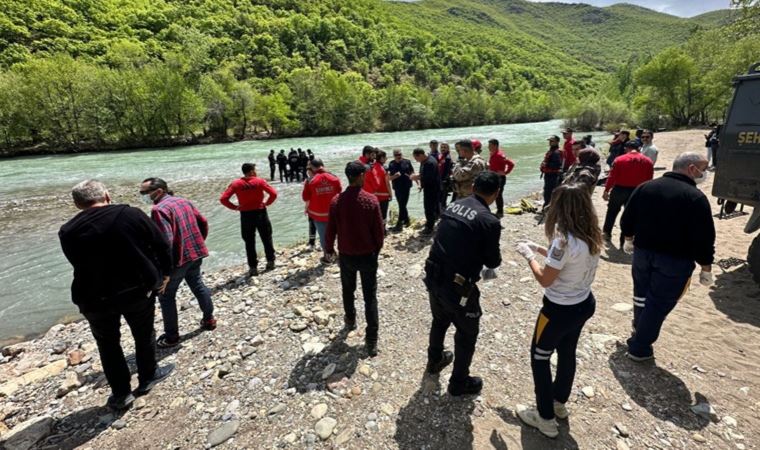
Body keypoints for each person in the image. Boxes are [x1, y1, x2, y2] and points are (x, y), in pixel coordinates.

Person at [59, 180, 174, 410]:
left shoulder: (67, 230)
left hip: (92, 296)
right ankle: (148, 377)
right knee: (143, 334)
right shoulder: (130, 214)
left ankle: (121, 394)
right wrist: (165, 274)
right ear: (107, 195)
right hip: (136, 289)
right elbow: (161, 244)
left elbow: (77, 262)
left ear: (76, 204)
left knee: (108, 344)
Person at [514, 183, 602, 438]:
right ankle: (558, 402)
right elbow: (565, 262)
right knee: (567, 352)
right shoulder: (591, 234)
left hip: (558, 309)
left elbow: (545, 279)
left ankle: (545, 418)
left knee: (539, 358)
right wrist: (539, 248)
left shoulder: (563, 239)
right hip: (583, 303)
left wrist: (528, 256)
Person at [621, 152, 715, 362]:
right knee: (658, 304)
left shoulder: (646, 187)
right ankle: (639, 347)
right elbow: (704, 237)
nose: (705, 173)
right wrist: (706, 267)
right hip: (675, 260)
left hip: (642, 254)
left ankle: (639, 328)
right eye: (703, 168)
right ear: (692, 169)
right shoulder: (695, 197)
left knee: (641, 294)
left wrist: (628, 238)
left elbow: (628, 217)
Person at [424, 172, 502, 396]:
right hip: (457, 286)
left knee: (439, 320)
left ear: (474, 186)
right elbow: (492, 261)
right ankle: (459, 383)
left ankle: (435, 360)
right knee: (467, 333)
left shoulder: (455, 205)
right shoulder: (489, 221)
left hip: (433, 275)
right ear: (496, 194)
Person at [140, 178, 216, 348]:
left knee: (166, 296)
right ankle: (209, 319)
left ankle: (172, 337)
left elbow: (165, 241)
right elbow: (203, 222)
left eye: (144, 192)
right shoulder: (183, 201)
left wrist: (163, 268)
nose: (143, 196)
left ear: (159, 191)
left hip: (177, 260)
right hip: (195, 253)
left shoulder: (158, 209)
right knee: (197, 284)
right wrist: (199, 242)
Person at [325, 162, 385, 357]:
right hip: (368, 255)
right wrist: (377, 250)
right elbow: (379, 233)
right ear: (360, 176)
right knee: (370, 297)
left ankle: (350, 320)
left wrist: (329, 249)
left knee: (347, 290)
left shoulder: (336, 201)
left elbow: (330, 229)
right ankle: (371, 340)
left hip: (347, 255)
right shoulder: (371, 200)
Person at [220, 163, 278, 276]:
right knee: (266, 238)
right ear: (251, 171)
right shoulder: (259, 181)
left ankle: (253, 267)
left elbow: (223, 199)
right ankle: (270, 261)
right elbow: (274, 194)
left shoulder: (236, 184)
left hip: (245, 214)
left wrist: (235, 207)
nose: (256, 172)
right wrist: (267, 203)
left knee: (249, 241)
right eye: (255, 170)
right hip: (260, 212)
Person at [602, 140, 654, 245]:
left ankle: (607, 233)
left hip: (619, 190)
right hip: (636, 191)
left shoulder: (619, 159)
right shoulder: (648, 161)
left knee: (612, 212)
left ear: (626, 148)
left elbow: (612, 177)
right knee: (630, 215)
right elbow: (649, 179)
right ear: (639, 148)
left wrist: (606, 190)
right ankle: (624, 239)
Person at [302, 158, 342, 261]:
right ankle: (343, 254)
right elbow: (340, 192)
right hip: (335, 212)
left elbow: (305, 198)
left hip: (318, 214)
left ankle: (328, 256)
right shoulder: (334, 177)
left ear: (312, 168)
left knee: (324, 236)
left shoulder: (310, 180)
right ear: (322, 165)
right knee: (339, 233)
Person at [411, 148, 441, 235]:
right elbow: (423, 173)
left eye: (416, 158)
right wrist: (421, 184)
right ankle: (434, 222)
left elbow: (429, 178)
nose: (416, 161)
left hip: (433, 189)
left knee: (428, 208)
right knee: (433, 207)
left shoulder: (430, 163)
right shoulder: (424, 161)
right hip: (430, 188)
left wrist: (417, 177)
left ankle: (429, 227)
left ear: (420, 155)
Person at [487, 138, 516, 217]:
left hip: (499, 178)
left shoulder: (500, 155)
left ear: (495, 146)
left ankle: (500, 211)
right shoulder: (492, 154)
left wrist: (505, 172)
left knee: (498, 195)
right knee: (491, 193)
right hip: (492, 177)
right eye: (488, 145)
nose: (488, 147)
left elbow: (511, 164)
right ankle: (493, 210)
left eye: (490, 145)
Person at [388, 149, 414, 231]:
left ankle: (399, 223)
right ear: (394, 156)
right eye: (396, 155)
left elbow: (412, 172)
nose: (398, 156)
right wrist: (394, 176)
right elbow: (388, 178)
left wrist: (418, 182)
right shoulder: (391, 164)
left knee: (402, 204)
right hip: (397, 187)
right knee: (401, 204)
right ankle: (407, 220)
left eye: (399, 154)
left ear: (402, 154)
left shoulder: (407, 162)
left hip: (406, 186)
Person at [540, 135, 563, 210]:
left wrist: (546, 164)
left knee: (549, 192)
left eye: (552, 141)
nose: (550, 142)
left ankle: (548, 208)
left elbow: (557, 164)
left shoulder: (556, 152)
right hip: (549, 175)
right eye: (549, 141)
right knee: (548, 191)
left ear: (557, 142)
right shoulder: (552, 150)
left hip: (553, 175)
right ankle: (549, 207)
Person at [373, 150, 393, 230]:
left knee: (376, 213)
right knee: (383, 214)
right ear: (381, 158)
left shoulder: (372, 166)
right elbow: (387, 183)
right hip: (384, 195)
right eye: (385, 157)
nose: (386, 158)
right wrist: (391, 194)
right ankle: (383, 230)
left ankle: (376, 229)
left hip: (375, 194)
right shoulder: (384, 169)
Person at [438, 143, 454, 209]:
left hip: (445, 180)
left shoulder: (447, 158)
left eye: (445, 147)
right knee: (441, 197)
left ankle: (442, 212)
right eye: (442, 147)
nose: (443, 149)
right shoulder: (441, 156)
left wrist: (444, 180)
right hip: (441, 179)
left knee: (443, 197)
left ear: (448, 149)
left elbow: (447, 171)